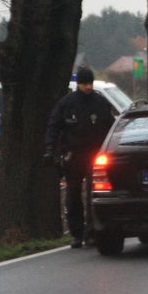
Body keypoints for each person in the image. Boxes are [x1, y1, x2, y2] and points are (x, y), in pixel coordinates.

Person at [43, 66, 116, 248]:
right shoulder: (66, 104)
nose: (88, 87)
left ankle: (92, 232)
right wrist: (50, 148)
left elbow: (111, 126)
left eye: (90, 83)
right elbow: (54, 126)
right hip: (73, 154)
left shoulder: (100, 102)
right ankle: (76, 233)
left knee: (94, 193)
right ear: (78, 84)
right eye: (84, 83)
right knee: (73, 194)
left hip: (95, 154)